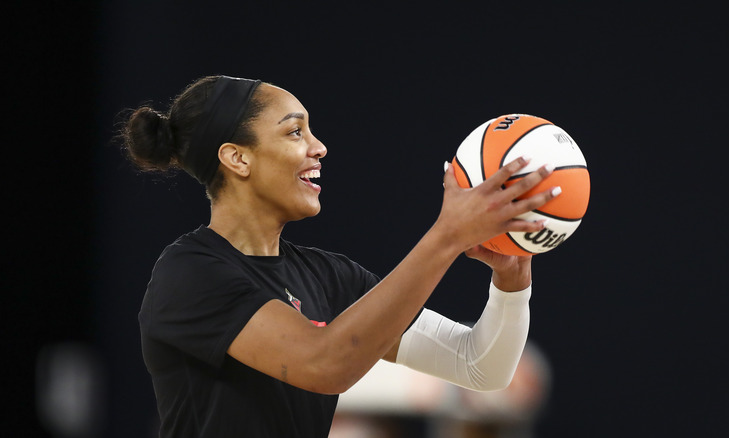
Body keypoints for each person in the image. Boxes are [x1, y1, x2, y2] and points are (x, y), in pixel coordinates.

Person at [121, 75, 560, 438]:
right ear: (237, 158)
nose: (319, 147)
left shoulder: (328, 277)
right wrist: (445, 238)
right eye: (295, 131)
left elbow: (480, 368)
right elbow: (324, 364)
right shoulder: (189, 272)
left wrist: (512, 280)